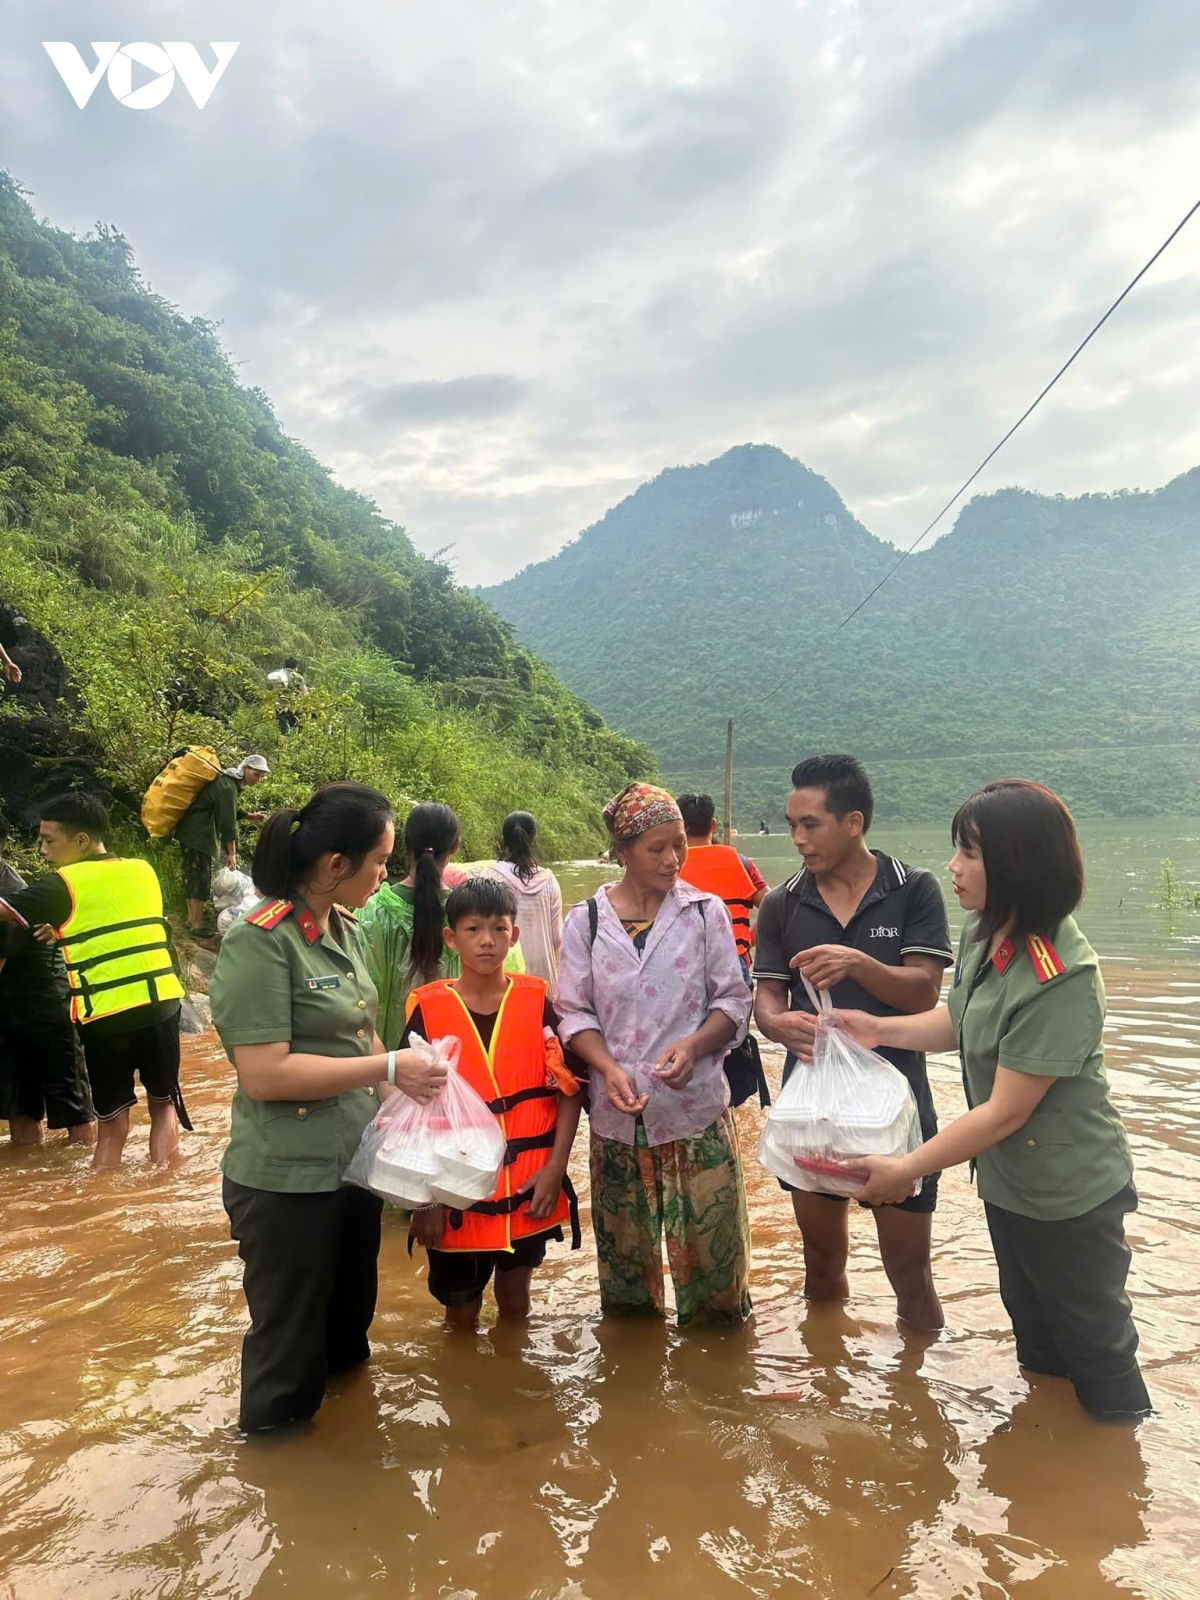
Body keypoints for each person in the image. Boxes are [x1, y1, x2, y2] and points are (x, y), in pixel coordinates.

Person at [832, 780, 1151, 1421]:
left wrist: (907, 1168)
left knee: (1099, 1357)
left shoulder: (1060, 975)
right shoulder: (988, 933)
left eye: (969, 854)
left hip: (1069, 1200)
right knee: (1037, 1342)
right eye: (957, 850)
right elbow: (962, 1020)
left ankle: (1123, 1492)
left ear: (1017, 864)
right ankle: (1051, 1471)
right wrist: (878, 1029)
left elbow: (1006, 1109)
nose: (952, 867)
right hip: (1009, 1187)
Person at [210, 781, 449, 1433]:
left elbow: (357, 1027)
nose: (386, 875)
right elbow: (265, 1073)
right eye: (379, 862)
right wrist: (391, 1065)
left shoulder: (341, 926)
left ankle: (347, 1477)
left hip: (352, 1168)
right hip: (286, 1181)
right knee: (287, 1356)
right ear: (335, 864)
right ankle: (282, 1486)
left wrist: (406, 1103)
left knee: (348, 1338)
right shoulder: (260, 941)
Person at [753, 755, 952, 1330]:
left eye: (810, 824)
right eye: (792, 824)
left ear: (854, 822)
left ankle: (916, 1393)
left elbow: (923, 993)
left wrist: (859, 964)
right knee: (820, 1266)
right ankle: (829, 1380)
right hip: (812, 1109)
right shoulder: (782, 903)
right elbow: (767, 998)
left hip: (898, 1110)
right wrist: (774, 1024)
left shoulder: (913, 889)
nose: (797, 839)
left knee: (910, 1275)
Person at [556, 782, 753, 1326]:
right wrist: (607, 1066)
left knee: (717, 1276)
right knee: (626, 1282)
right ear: (621, 852)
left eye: (679, 845)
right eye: (656, 848)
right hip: (619, 1125)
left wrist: (694, 1044)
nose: (672, 860)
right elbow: (574, 1013)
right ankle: (634, 1387)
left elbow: (734, 1002)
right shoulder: (586, 922)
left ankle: (718, 1388)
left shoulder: (704, 914)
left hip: (696, 1116)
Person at [403, 876, 584, 1325]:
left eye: (499, 929)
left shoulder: (540, 1001)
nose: (487, 942)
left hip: (527, 1186)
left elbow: (568, 1091)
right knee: (459, 1313)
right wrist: (424, 1202)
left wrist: (555, 1170)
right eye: (473, 930)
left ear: (514, 935)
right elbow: (408, 1115)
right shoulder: (426, 1009)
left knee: (517, 1302)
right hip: (454, 1193)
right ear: (451, 937)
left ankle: (509, 1384)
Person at [0, 791, 187, 1170]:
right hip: (161, 1004)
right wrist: (62, 927)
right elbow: (118, 919)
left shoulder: (62, 885)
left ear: (81, 840)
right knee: (163, 1107)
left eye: (49, 840)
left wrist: (58, 922)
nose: (42, 850)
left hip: (106, 1015)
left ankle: (103, 1200)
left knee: (112, 1126)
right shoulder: (143, 869)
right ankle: (165, 1185)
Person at [359, 801, 523, 1050]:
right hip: (467, 1056)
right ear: (455, 847)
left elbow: (361, 999)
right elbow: (511, 983)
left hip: (395, 1066)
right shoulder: (477, 915)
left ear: (405, 847)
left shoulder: (374, 912)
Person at [0, 817, 95, 1147]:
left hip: (47, 1007)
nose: (43, 849)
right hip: (11, 1009)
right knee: (19, 1104)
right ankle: (31, 1178)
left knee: (72, 1102)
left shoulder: (11, 891)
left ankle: (88, 1178)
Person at [174, 754, 270, 938]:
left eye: (261, 777)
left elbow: (228, 809)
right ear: (245, 769)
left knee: (193, 875)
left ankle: (191, 920)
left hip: (192, 833)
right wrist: (232, 853)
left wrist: (249, 815)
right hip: (197, 835)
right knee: (199, 879)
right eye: (256, 774)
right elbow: (227, 824)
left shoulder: (229, 783)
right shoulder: (228, 787)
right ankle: (197, 923)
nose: (258, 779)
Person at [676, 792, 768, 980]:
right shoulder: (741, 862)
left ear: (679, 828)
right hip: (735, 961)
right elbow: (775, 907)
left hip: (684, 964)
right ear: (714, 825)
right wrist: (749, 940)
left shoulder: (669, 867)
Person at [484, 810, 563, 988]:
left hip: (504, 978)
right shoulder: (549, 881)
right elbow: (557, 938)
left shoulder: (489, 876)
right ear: (533, 840)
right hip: (544, 980)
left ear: (503, 841)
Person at [267, 658, 308, 734]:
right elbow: (305, 693)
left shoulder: (278, 675)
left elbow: (269, 689)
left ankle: (282, 745)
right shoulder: (298, 677)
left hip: (279, 707)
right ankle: (295, 744)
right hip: (294, 707)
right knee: (296, 729)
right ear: (296, 667)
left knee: (283, 731)